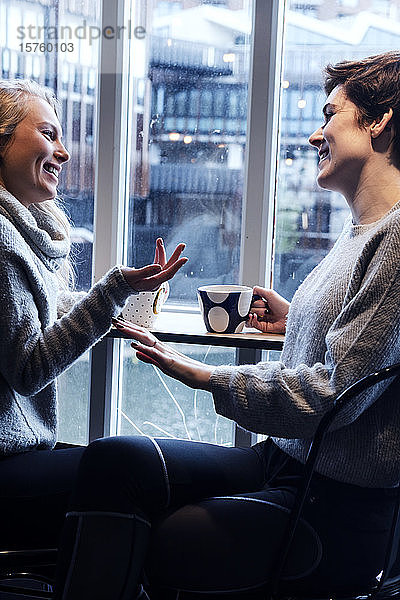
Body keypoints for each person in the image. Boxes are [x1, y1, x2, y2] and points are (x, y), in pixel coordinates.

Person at [58, 50, 400, 599]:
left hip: (336, 507)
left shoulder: (396, 239)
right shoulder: (362, 231)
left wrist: (208, 377)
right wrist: (296, 323)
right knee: (115, 460)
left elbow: (335, 393)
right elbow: (362, 352)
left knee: (167, 541)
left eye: (329, 114)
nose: (316, 134)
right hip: (284, 464)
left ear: (379, 121)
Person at [0, 79, 187, 596]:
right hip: (7, 464)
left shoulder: (22, 232)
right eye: (47, 133)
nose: (63, 150)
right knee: (132, 477)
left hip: (20, 454)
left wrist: (125, 294)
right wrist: (112, 292)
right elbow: (30, 368)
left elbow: (41, 314)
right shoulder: (3, 240)